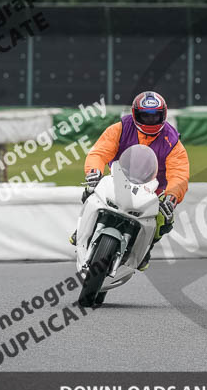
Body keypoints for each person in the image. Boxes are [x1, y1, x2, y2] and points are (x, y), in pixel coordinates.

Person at [69, 91, 190, 271]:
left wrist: (172, 197)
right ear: (135, 114)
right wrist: (94, 171)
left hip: (152, 190)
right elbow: (99, 152)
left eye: (155, 115)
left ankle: (146, 248)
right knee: (91, 190)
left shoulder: (172, 141)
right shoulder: (120, 128)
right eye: (145, 115)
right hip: (118, 179)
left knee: (164, 219)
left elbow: (179, 174)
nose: (150, 120)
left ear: (163, 115)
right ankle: (82, 229)